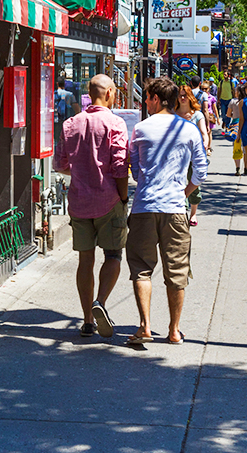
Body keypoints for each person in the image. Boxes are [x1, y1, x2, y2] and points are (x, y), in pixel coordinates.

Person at [125, 76, 208, 346]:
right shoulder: (188, 130)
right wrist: (183, 193)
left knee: (141, 269)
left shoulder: (140, 130)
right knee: (177, 271)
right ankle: (174, 330)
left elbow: (136, 173)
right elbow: (201, 171)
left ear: (156, 99)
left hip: (144, 207)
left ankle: (145, 326)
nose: (144, 102)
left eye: (146, 97)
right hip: (175, 209)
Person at [54, 74, 129, 338]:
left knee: (85, 259)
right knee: (113, 255)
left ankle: (87, 320)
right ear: (109, 93)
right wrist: (123, 197)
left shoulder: (70, 123)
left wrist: (80, 172)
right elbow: (120, 167)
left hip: (79, 201)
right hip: (109, 200)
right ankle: (101, 302)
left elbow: (60, 164)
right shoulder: (115, 123)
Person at [176, 84, 210, 226]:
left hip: (192, 156)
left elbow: (204, 132)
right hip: (177, 156)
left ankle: (193, 213)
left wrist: (205, 143)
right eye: (180, 95)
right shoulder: (173, 113)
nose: (183, 98)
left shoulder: (197, 114)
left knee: (193, 183)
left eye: (185, 95)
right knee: (178, 183)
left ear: (190, 97)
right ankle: (181, 210)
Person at [226, 86, 244, 176]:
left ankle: (237, 168)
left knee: (236, 146)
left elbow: (228, 114)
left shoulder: (233, 101)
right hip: (245, 124)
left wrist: (234, 114)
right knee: (246, 147)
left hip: (235, 124)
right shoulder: (246, 101)